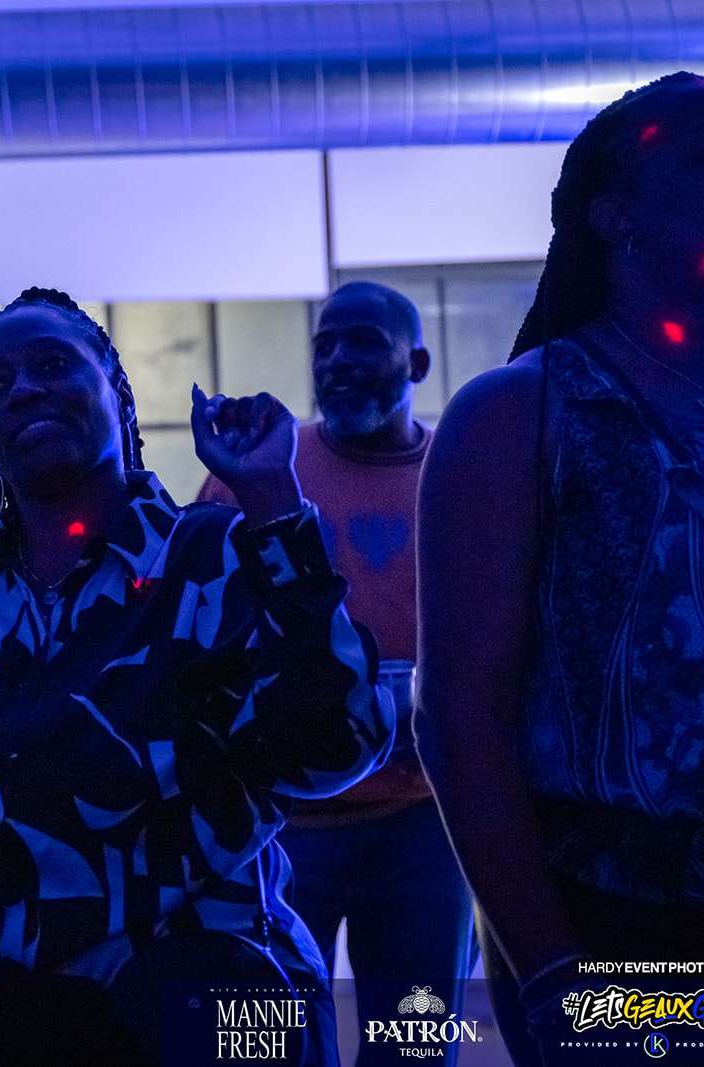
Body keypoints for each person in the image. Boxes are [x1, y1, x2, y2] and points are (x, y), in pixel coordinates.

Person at [0, 286, 395, 1065]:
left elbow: (335, 743)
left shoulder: (211, 557)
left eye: (53, 364)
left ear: (114, 386)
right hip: (2, 1036)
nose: (23, 389)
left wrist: (273, 501)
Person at [417, 73, 704, 1066]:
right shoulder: (519, 412)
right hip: (629, 931)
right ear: (614, 214)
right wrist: (551, 970)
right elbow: (459, 712)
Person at [199, 282, 471, 1065]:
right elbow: (198, 622)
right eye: (326, 344)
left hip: (426, 823)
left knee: (414, 1049)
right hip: (279, 828)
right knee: (263, 1049)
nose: (338, 361)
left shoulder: (461, 474)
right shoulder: (258, 470)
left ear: (417, 363)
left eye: (364, 342)